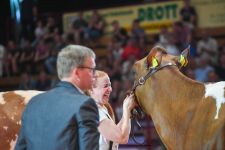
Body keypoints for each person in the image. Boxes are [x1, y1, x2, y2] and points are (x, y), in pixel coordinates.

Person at [15, 45, 100, 150]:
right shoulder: (85, 104)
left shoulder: (33, 102)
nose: (94, 74)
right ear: (77, 72)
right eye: (92, 69)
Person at [87, 70, 137, 150]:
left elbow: (115, 133)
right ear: (91, 90)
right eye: (105, 86)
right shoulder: (94, 112)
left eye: (110, 85)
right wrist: (126, 109)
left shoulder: (101, 108)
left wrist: (129, 112)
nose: (110, 89)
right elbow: (122, 138)